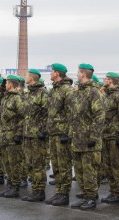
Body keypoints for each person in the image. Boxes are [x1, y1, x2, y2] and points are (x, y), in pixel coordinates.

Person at [70, 63, 105, 210]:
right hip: (77, 139)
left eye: (78, 72)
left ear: (83, 74)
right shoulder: (79, 92)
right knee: (79, 170)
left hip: (89, 141)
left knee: (90, 170)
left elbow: (99, 116)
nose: (77, 75)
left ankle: (91, 197)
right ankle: (85, 194)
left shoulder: (94, 92)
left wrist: (94, 136)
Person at [45, 63, 74, 206]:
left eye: (51, 72)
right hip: (53, 132)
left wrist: (67, 133)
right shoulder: (54, 90)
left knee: (64, 165)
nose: (50, 74)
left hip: (62, 133)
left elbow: (71, 113)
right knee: (55, 165)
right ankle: (58, 191)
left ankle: (64, 194)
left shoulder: (67, 90)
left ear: (57, 73)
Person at [100, 72, 119, 204]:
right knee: (107, 165)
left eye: (105, 79)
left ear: (110, 81)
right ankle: (112, 191)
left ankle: (118, 192)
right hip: (106, 135)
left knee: (117, 165)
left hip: (115, 137)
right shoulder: (106, 95)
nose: (103, 80)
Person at [21, 69, 49, 202]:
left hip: (38, 135)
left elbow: (47, 113)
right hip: (28, 134)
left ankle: (39, 191)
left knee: (38, 164)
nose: (25, 77)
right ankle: (34, 189)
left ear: (32, 78)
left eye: (27, 75)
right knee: (29, 164)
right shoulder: (29, 93)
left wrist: (43, 130)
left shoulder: (42, 93)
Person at [0, 75, 24, 198]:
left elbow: (22, 117)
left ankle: (15, 187)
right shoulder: (6, 98)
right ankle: (10, 185)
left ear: (11, 84)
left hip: (12, 136)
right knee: (6, 163)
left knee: (14, 164)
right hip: (4, 136)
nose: (5, 85)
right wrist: (2, 89)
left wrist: (18, 134)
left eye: (6, 83)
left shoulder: (17, 99)